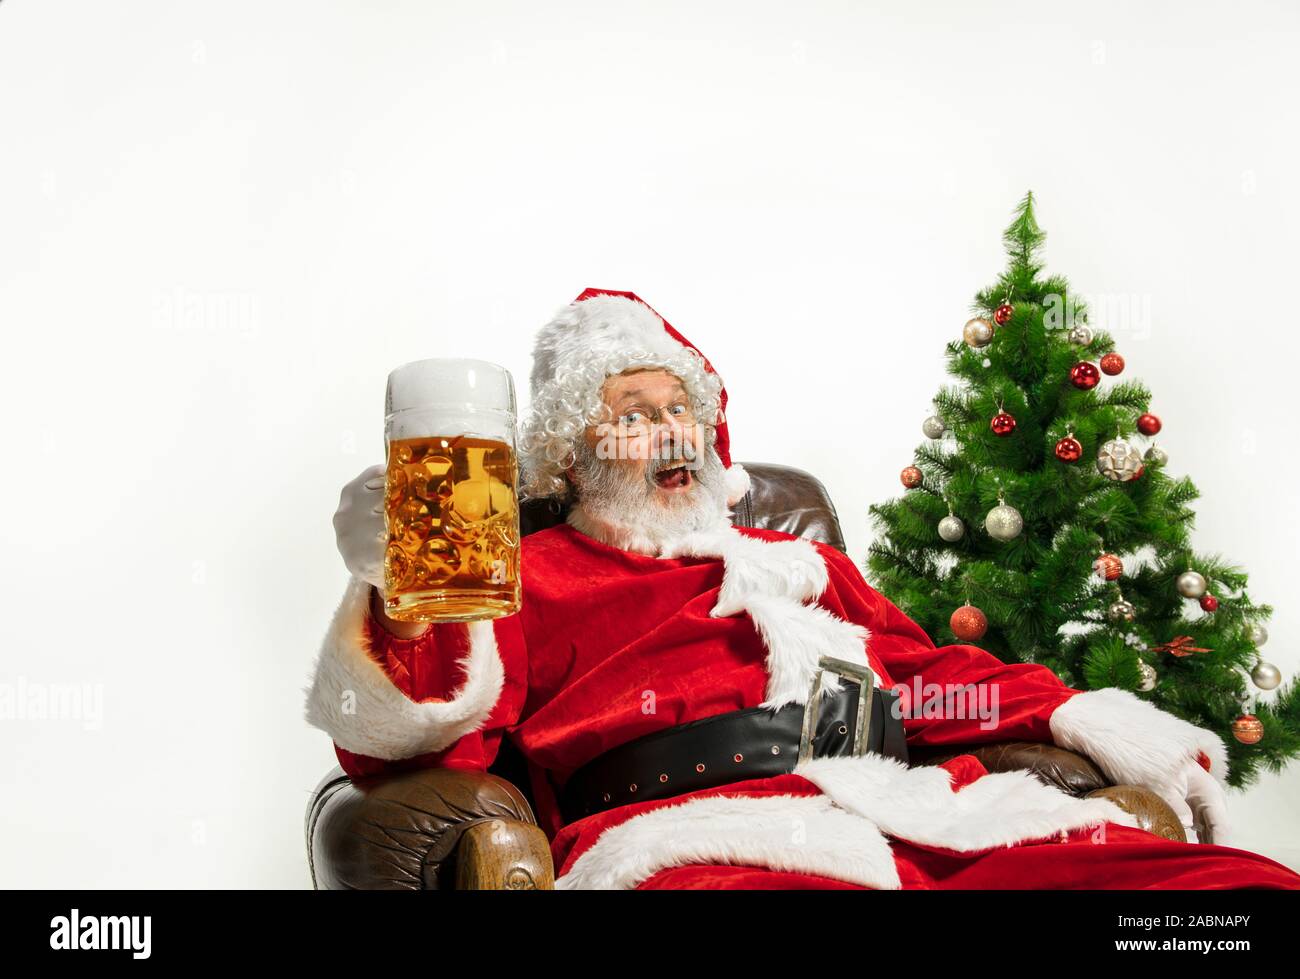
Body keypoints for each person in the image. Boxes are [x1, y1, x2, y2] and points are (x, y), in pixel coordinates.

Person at [306, 288, 1300, 889]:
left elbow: (925, 679)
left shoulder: (796, 564)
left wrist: (1079, 708)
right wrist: (407, 579)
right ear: (569, 456)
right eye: (633, 414)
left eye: (681, 408)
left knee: (1210, 891)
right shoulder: (529, 579)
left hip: (907, 810)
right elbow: (430, 735)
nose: (674, 432)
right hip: (691, 839)